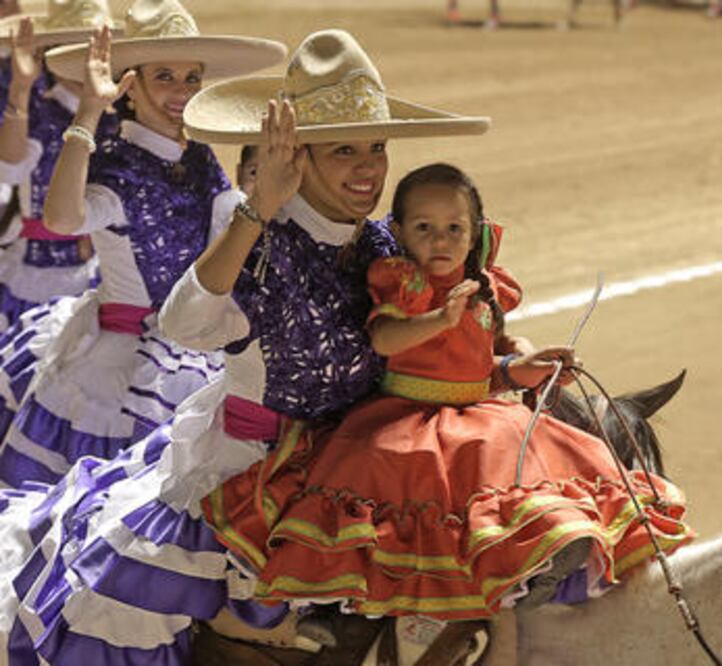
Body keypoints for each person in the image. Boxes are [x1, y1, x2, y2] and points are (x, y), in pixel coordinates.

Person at [0, 28, 489, 663]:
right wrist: (256, 209)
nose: (370, 168)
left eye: (376, 146)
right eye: (344, 150)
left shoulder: (381, 245)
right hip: (247, 477)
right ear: (300, 156)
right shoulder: (267, 243)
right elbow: (182, 324)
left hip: (348, 470)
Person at [203, 162, 694, 662]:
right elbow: (385, 338)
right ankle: (358, 616)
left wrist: (528, 368)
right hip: (406, 420)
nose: (440, 240)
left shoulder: (484, 292)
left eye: (453, 229)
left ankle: (538, 568)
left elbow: (482, 370)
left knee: (529, 475)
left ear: (475, 233)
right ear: (397, 233)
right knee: (412, 523)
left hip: (475, 414)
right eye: (424, 228)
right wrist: (440, 317)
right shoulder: (404, 283)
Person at [0, 0, 285, 488]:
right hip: (121, 369)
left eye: (192, 78)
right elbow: (64, 218)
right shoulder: (116, 162)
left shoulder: (198, 157)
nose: (182, 91)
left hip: (196, 349)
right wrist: (88, 113)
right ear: (129, 84)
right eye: (165, 77)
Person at [0, 2, 121, 332]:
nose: (88, 65)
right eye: (77, 52)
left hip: (95, 274)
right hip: (29, 273)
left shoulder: (117, 124)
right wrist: (21, 89)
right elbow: (9, 168)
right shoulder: (39, 112)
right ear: (53, 54)